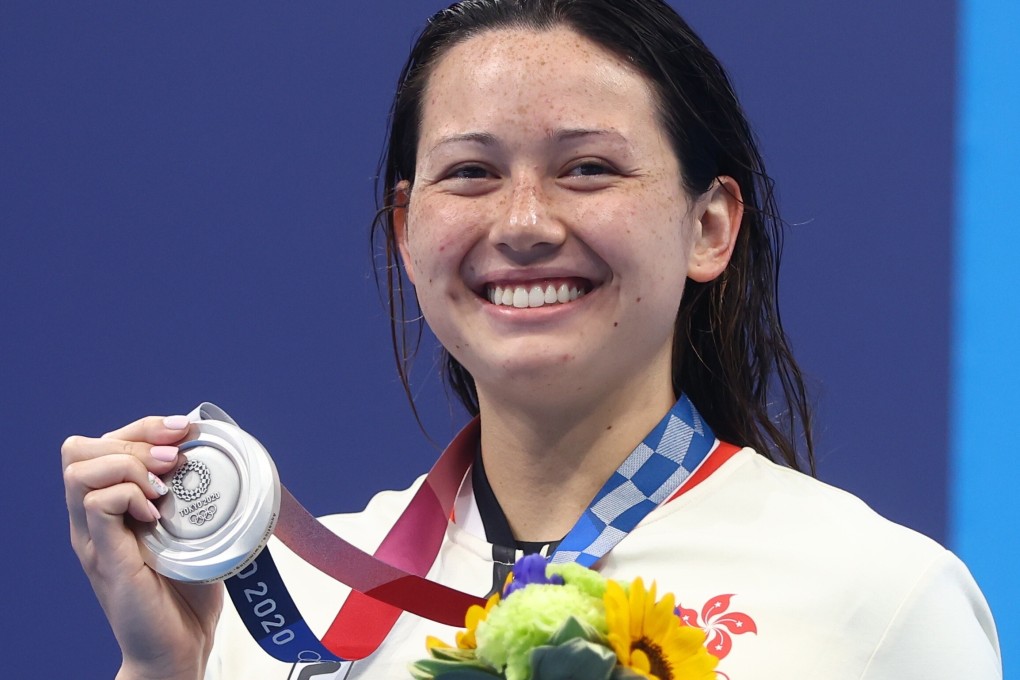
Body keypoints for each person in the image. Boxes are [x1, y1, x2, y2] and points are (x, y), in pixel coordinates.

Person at [61, 1, 1001, 678]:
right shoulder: (278, 612)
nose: (522, 223)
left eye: (587, 168)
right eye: (469, 172)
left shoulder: (879, 601)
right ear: (405, 232)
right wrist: (163, 670)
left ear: (710, 227)